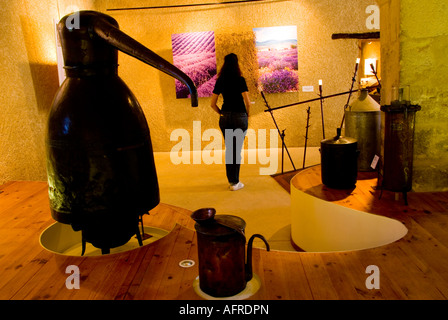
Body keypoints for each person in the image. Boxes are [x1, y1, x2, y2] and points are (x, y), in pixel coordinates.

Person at [210, 53, 251, 191]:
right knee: (236, 150)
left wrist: (221, 113)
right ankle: (236, 182)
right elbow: (248, 102)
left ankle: (232, 182)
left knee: (230, 150)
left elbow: (212, 103)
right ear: (236, 64)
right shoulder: (240, 80)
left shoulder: (220, 80)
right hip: (240, 116)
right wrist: (247, 114)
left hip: (225, 117)